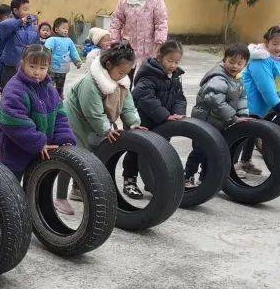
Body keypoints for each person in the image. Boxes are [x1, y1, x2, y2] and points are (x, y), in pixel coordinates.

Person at [61, 43, 144, 203]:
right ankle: (75, 190)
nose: (123, 75)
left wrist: (133, 122)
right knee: (81, 153)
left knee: (98, 152)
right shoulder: (90, 83)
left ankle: (86, 186)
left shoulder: (121, 81)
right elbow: (93, 113)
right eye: (120, 72)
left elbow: (127, 104)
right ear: (108, 64)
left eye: (127, 72)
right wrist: (106, 129)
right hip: (75, 119)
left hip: (96, 121)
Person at [0, 44, 75, 182]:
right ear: (22, 64)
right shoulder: (15, 88)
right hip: (14, 152)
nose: (37, 72)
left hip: (40, 152)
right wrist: (38, 142)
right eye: (32, 66)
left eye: (42, 68)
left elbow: (60, 116)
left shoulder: (50, 89)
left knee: (35, 189)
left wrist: (65, 139)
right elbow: (14, 120)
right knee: (9, 191)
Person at [125, 39, 187, 199]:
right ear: (160, 57)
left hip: (163, 123)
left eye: (176, 62)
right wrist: (165, 114)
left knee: (157, 152)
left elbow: (180, 97)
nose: (173, 65)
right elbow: (144, 97)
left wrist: (178, 113)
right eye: (170, 61)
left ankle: (151, 181)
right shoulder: (149, 74)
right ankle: (129, 181)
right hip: (144, 120)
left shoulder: (174, 76)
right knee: (136, 151)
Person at [185, 44, 250, 188]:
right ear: (224, 59)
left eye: (240, 63)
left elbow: (242, 98)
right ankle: (187, 176)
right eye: (231, 61)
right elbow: (214, 99)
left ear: (245, 64)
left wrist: (242, 114)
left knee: (213, 153)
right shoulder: (218, 77)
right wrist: (233, 117)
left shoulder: (237, 79)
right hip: (204, 122)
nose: (235, 66)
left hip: (219, 122)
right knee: (200, 151)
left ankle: (205, 179)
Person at [238, 24, 280, 175]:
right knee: (242, 135)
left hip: (264, 103)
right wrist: (277, 104)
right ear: (266, 42)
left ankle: (245, 162)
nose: (278, 48)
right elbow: (266, 85)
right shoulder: (260, 59)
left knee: (253, 134)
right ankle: (230, 165)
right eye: (275, 44)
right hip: (249, 101)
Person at [109, 0, 169, 73]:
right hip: (128, 49)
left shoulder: (156, 0)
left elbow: (161, 23)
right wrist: (114, 42)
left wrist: (159, 43)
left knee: (145, 80)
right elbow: (116, 22)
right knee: (126, 78)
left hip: (150, 50)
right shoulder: (124, 1)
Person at [0, 0, 41, 86]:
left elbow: (37, 43)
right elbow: (3, 25)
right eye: (25, 10)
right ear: (15, 11)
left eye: (28, 9)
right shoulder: (10, 23)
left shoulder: (31, 25)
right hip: (11, 65)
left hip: (27, 63)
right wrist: (20, 21)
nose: (28, 12)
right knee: (9, 87)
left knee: (24, 88)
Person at [45, 17, 84, 95]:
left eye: (67, 29)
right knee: (49, 85)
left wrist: (77, 61)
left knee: (60, 85)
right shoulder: (52, 39)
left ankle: (59, 96)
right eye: (63, 28)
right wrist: (45, 61)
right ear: (56, 30)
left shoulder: (69, 41)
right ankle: (49, 97)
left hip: (63, 69)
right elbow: (46, 50)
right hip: (52, 68)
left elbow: (73, 52)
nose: (66, 30)